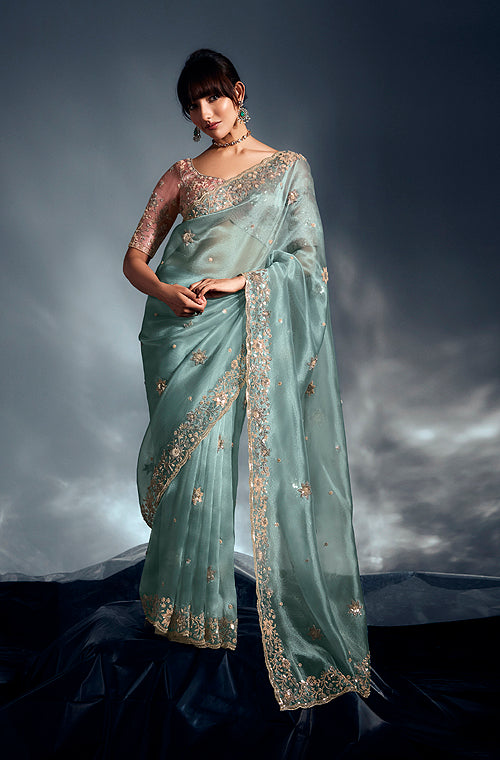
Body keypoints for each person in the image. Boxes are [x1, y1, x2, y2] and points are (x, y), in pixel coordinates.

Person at [123, 49, 370, 711]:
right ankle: (175, 607)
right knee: (189, 464)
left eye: (214, 97)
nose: (206, 114)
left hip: (242, 323)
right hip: (182, 330)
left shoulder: (287, 169)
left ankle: (206, 612)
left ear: (238, 91)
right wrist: (166, 292)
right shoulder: (181, 174)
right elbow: (135, 257)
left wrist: (243, 281)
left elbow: (307, 262)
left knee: (217, 457)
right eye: (193, 105)